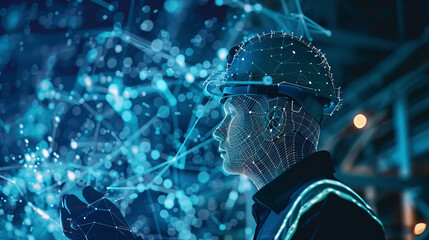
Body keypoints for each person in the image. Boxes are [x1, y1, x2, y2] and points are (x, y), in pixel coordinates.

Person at [60, 33, 385, 240]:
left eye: (231, 115)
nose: (218, 131)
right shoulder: (284, 216)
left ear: (273, 121)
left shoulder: (330, 214)